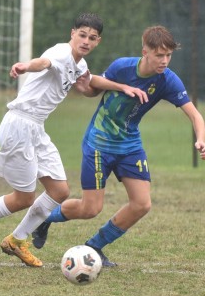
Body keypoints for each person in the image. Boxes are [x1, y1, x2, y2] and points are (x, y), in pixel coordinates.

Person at [0, 13, 147, 266]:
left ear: (98, 41)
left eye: (92, 38)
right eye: (82, 35)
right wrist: (24, 66)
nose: (86, 41)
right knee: (23, 198)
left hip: (36, 128)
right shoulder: (62, 52)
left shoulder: (80, 64)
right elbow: (43, 63)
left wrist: (121, 88)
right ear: (72, 33)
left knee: (59, 191)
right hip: (19, 124)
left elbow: (88, 83)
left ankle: (16, 240)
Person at [31, 25, 205, 266]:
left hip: (130, 145)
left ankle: (95, 246)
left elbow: (196, 115)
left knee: (142, 204)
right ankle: (44, 218)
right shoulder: (122, 67)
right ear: (145, 51)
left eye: (168, 55)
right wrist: (85, 88)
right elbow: (94, 87)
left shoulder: (167, 80)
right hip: (99, 143)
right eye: (159, 55)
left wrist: (201, 138)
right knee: (90, 209)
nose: (164, 61)